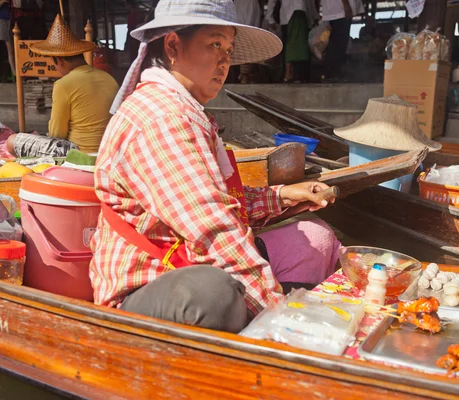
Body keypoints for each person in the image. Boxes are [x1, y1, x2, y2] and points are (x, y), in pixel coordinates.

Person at [90, 0, 341, 333]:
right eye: (214, 45)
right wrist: (278, 317)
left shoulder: (186, 110)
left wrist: (282, 196)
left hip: (184, 259)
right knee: (213, 294)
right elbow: (211, 226)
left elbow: (218, 199)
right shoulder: (163, 118)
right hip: (146, 289)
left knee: (314, 235)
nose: (225, 61)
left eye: (229, 49)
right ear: (173, 45)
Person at [5, 15, 119, 157]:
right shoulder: (109, 78)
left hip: (79, 153)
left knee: (12, 141)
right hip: (108, 150)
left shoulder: (64, 84)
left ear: (59, 60)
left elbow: (57, 134)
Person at [267, 0, 318, 83]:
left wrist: (314, 15)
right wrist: (270, 18)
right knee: (292, 46)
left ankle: (293, 75)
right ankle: (290, 74)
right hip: (293, 15)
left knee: (295, 46)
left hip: (298, 15)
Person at [321, 0, 364, 82]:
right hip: (339, 10)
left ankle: (331, 74)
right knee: (339, 43)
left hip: (335, 10)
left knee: (336, 42)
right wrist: (346, 4)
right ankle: (333, 74)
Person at [235, 0, 261, 83]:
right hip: (242, 30)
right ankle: (244, 75)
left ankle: (245, 75)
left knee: (246, 52)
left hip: (244, 30)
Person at [0, 0, 15, 79]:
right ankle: (15, 73)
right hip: (3, 20)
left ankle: (15, 73)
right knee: (10, 48)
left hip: (9, 20)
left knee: (12, 49)